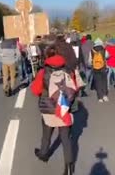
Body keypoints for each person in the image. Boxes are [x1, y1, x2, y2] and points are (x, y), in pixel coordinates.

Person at [31, 45, 77, 175]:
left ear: (47, 56)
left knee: (46, 134)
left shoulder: (43, 72)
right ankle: (68, 167)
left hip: (48, 107)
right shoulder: (68, 70)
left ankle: (43, 154)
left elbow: (36, 90)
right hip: (64, 107)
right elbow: (74, 88)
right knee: (66, 139)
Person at [90, 38, 109, 102]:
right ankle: (105, 95)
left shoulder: (92, 51)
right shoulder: (104, 50)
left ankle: (100, 97)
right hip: (103, 67)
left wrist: (92, 64)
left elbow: (89, 61)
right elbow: (107, 56)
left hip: (95, 68)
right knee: (104, 81)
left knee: (98, 83)